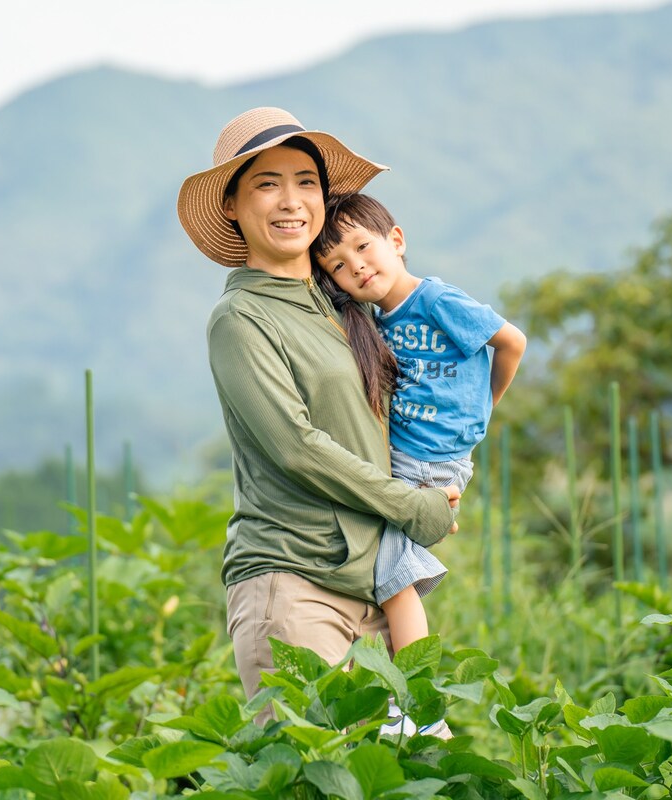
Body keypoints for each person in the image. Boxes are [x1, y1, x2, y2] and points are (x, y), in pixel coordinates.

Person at [175, 108, 460, 722]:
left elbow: (422, 400)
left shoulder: (344, 304)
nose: (291, 201)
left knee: (417, 773)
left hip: (377, 582)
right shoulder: (242, 319)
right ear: (231, 203)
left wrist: (448, 471)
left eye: (306, 182)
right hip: (295, 585)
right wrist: (412, 506)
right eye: (266, 183)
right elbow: (296, 448)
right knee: (318, 780)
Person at [312, 193, 527, 657]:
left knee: (392, 580)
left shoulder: (435, 299)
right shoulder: (376, 321)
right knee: (377, 564)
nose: (357, 267)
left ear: (396, 240)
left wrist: (484, 406)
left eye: (363, 247)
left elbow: (511, 342)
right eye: (339, 267)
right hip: (402, 459)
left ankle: (413, 695)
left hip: (428, 463)